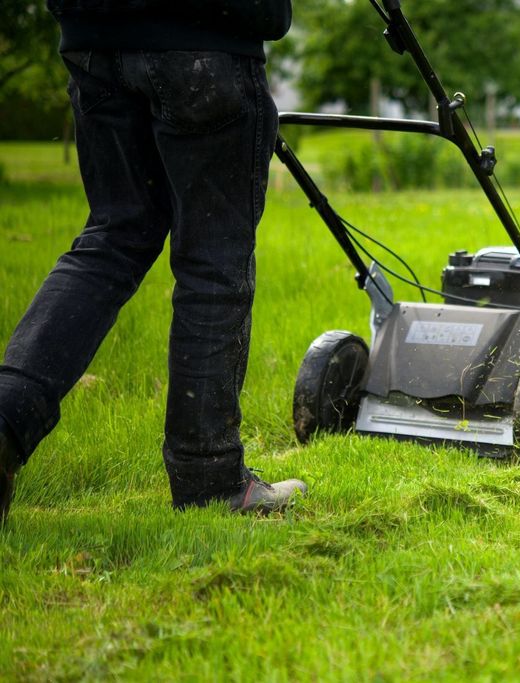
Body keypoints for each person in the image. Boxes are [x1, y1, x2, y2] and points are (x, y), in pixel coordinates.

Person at [0, 0, 308, 526]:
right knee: (213, 260)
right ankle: (208, 479)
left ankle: (5, 421)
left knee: (113, 237)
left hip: (94, 42)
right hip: (205, 48)